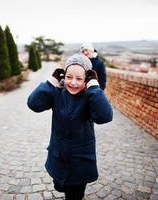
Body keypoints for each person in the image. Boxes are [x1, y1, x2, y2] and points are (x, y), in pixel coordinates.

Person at [27, 54, 113, 200]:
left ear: (86, 79)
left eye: (79, 79)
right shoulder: (57, 93)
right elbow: (33, 104)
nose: (73, 82)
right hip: (59, 155)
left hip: (80, 159)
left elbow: (104, 116)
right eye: (69, 77)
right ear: (63, 76)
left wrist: (94, 87)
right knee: (60, 186)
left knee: (74, 195)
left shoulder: (90, 96)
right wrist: (51, 82)